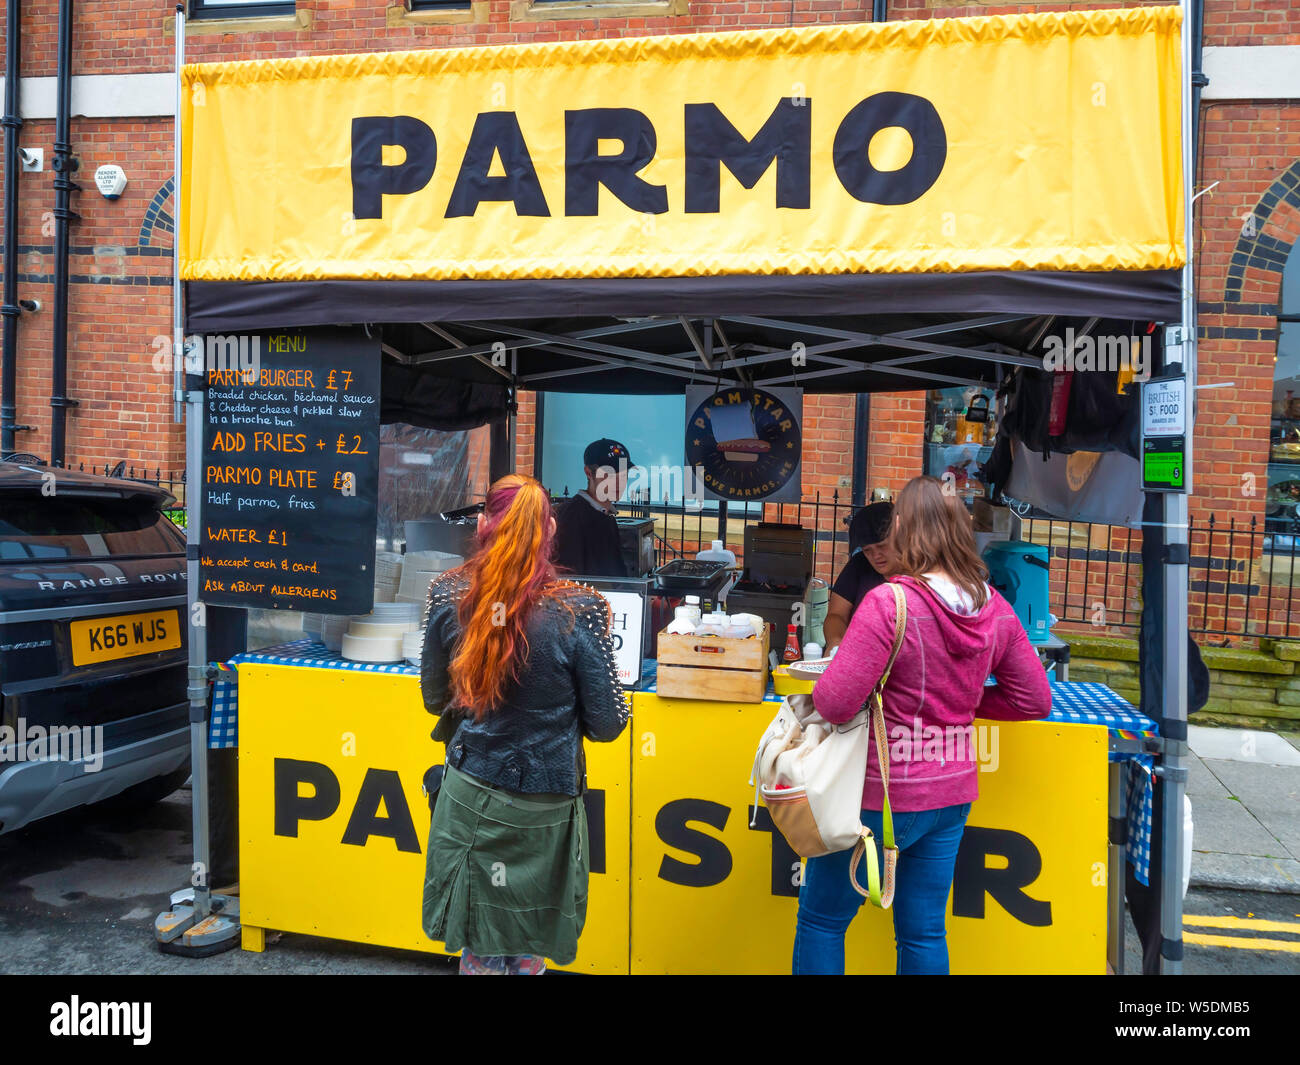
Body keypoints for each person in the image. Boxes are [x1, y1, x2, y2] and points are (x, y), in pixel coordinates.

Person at [793, 476, 1052, 975]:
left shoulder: (890, 603)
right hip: (950, 794)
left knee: (823, 922)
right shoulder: (993, 606)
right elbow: (1032, 698)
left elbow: (834, 702)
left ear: (907, 533)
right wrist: (964, 702)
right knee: (925, 931)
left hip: (878, 795)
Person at [419, 473, 629, 975]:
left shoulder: (447, 592)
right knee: (528, 941)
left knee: (481, 945)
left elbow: (433, 700)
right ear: (550, 528)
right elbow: (608, 725)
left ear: (484, 522)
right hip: (546, 799)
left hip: (470, 789)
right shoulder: (581, 608)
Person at [553, 438, 635, 578]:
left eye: (623, 475)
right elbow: (569, 579)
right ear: (588, 473)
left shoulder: (606, 516)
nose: (618, 482)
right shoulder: (571, 517)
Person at [823, 501, 895, 653]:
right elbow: (836, 615)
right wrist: (836, 643)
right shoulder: (859, 564)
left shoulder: (922, 573)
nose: (876, 555)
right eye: (868, 550)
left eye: (882, 546)